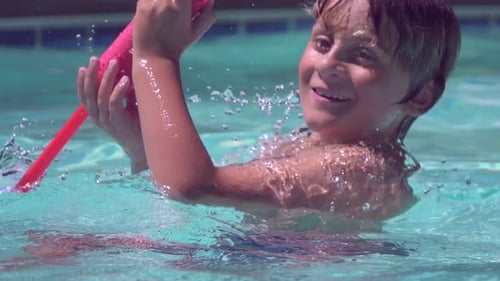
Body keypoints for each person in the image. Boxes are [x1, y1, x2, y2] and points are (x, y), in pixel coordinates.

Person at [77, 0, 461, 220]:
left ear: (421, 97)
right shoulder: (312, 150)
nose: (327, 66)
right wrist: (142, 151)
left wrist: (155, 56)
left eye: (363, 55)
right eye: (323, 43)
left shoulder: (360, 169)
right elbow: (192, 197)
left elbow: (193, 187)